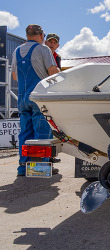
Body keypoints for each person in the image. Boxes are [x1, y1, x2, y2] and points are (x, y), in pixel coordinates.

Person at [11, 24, 60, 176]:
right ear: (41, 36)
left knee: (25, 133)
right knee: (41, 134)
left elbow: (14, 76)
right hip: (39, 98)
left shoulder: (17, 51)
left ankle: (23, 168)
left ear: (27, 35)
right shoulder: (43, 49)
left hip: (23, 98)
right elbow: (53, 72)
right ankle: (38, 169)